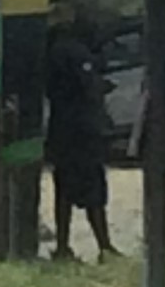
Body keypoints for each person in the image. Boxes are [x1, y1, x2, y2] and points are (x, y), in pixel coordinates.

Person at [45, 16, 120, 262]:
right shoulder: (77, 52)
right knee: (93, 190)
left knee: (64, 191)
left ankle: (62, 246)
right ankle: (104, 247)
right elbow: (90, 86)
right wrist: (103, 87)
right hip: (83, 132)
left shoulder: (52, 53)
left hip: (60, 130)